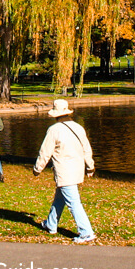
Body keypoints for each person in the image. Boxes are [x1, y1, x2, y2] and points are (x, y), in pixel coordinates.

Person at [33, 99, 96, 244]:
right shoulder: (78, 127)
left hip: (64, 171)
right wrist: (90, 166)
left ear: (56, 114)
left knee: (74, 202)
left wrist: (38, 169)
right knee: (60, 198)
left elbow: (45, 152)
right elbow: (87, 149)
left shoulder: (54, 130)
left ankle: (86, 232)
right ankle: (51, 224)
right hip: (77, 170)